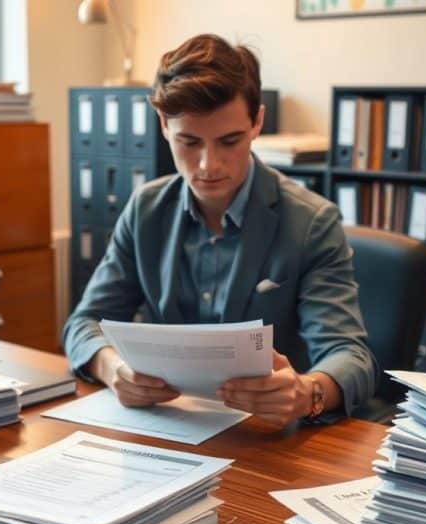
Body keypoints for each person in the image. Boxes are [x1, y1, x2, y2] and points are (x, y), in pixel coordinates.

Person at [63, 34, 377, 426]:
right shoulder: (146, 210)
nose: (208, 165)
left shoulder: (312, 222)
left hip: (267, 438)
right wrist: (112, 369)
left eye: (229, 141)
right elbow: (83, 323)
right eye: (189, 142)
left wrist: (307, 391)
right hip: (171, 426)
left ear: (257, 121)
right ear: (163, 125)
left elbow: (352, 357)